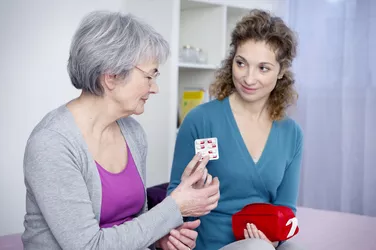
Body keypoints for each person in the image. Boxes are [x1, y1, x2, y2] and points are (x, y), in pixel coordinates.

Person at [21, 11, 220, 250]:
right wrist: (175, 207)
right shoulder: (52, 144)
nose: (154, 88)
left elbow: (137, 223)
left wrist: (160, 239)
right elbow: (88, 247)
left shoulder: (133, 133)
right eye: (149, 76)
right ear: (111, 77)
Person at [167, 9, 304, 250]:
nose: (249, 79)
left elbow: (286, 211)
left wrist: (274, 239)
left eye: (263, 68)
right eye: (241, 64)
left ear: (281, 71)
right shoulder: (201, 120)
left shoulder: (291, 134)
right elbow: (174, 198)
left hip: (264, 243)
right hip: (210, 244)